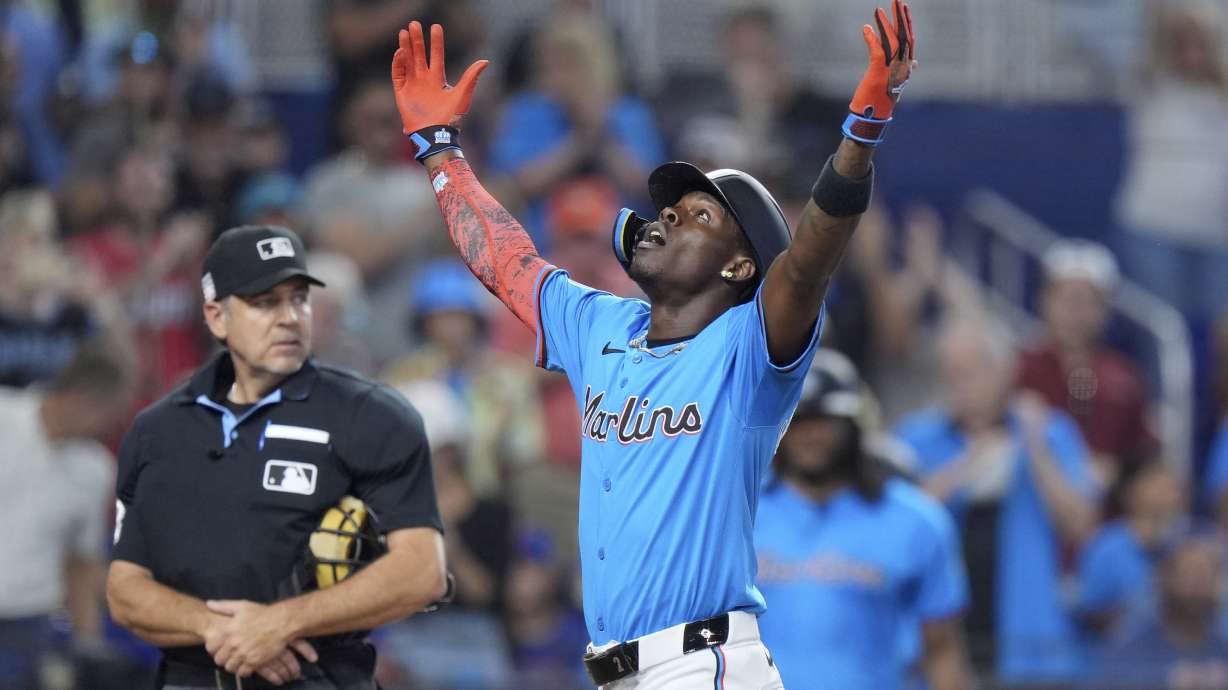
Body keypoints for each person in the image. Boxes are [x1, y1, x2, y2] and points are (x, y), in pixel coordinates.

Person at [390, 4, 915, 687]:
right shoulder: (600, 324)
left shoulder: (749, 348)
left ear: (738, 267)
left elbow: (810, 259)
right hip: (617, 670)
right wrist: (440, 149)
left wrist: (861, 133)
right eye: (668, 207)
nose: (666, 215)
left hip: (705, 665)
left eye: (698, 215)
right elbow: (503, 256)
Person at [106, 225, 447, 689]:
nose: (289, 317)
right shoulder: (157, 431)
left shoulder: (372, 415)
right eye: (265, 302)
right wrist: (225, 630)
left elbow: (422, 572)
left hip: (322, 677)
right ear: (216, 317)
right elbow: (125, 589)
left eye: (299, 299)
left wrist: (282, 623)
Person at [893, 318, 1099, 685]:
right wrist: (963, 469)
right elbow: (891, 535)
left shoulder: (1051, 432)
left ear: (1005, 372)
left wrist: (1035, 449)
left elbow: (1080, 526)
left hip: (1032, 650)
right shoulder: (915, 438)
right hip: (937, 649)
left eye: (970, 372)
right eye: (949, 373)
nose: (958, 385)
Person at [755, 349, 970, 690]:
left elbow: (941, 649)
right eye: (798, 421)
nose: (811, 435)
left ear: (855, 424)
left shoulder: (914, 521)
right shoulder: (740, 517)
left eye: (824, 420)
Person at [0, 344, 134, 690]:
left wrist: (87, 643)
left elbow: (81, 562)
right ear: (87, 399)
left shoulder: (96, 470)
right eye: (113, 412)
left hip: (27, 626)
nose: (113, 424)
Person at [1016, 239, 1155, 486]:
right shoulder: (1020, 368)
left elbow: (1142, 454)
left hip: (1109, 513)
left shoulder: (1124, 377)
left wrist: (1117, 470)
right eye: (1066, 300)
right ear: (1045, 301)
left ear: (1105, 310)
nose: (1075, 313)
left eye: (1086, 302)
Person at [1092, 531, 1228, 689]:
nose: (1198, 586)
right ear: (1165, 578)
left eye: (1206, 575)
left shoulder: (1223, 647)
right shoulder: (1131, 652)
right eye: (1189, 574)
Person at [1076, 457, 1188, 644]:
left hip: (1174, 659)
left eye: (1170, 482)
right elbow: (1090, 614)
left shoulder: (1186, 544)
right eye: (1155, 482)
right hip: (1120, 663)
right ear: (1130, 493)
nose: (1167, 488)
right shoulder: (1104, 548)